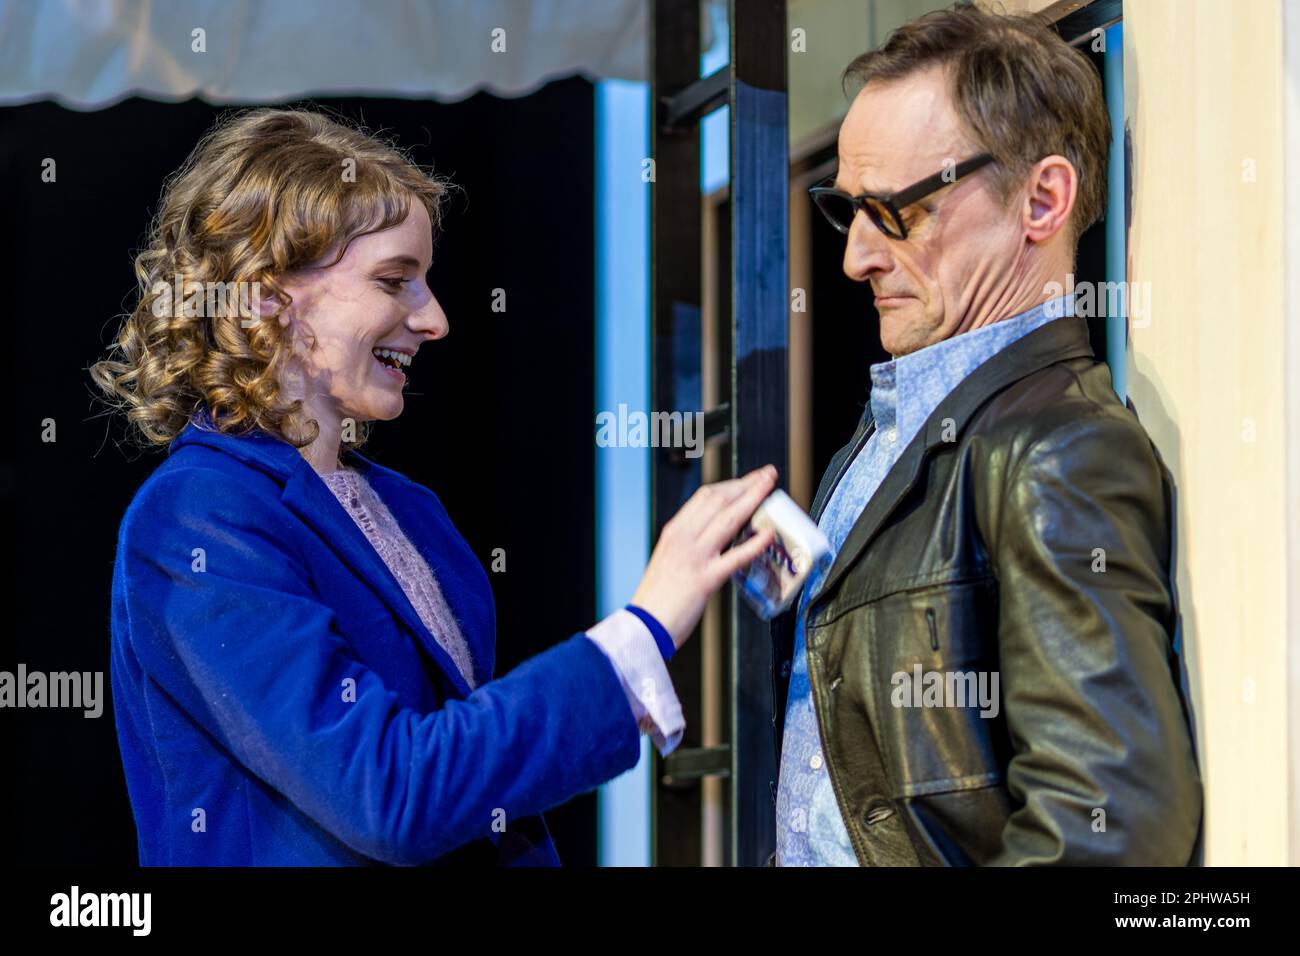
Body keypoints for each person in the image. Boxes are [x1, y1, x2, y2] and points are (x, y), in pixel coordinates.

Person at [91, 106, 777, 866]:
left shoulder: (408, 509)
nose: (436, 319)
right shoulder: (197, 514)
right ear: (264, 294)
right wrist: (638, 637)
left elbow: (457, 782)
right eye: (395, 281)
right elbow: (389, 794)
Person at [770, 4, 1202, 866]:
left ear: (1043, 200)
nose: (855, 256)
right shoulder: (900, 424)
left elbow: (1107, 830)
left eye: (896, 211)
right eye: (847, 209)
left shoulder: (1058, 450)